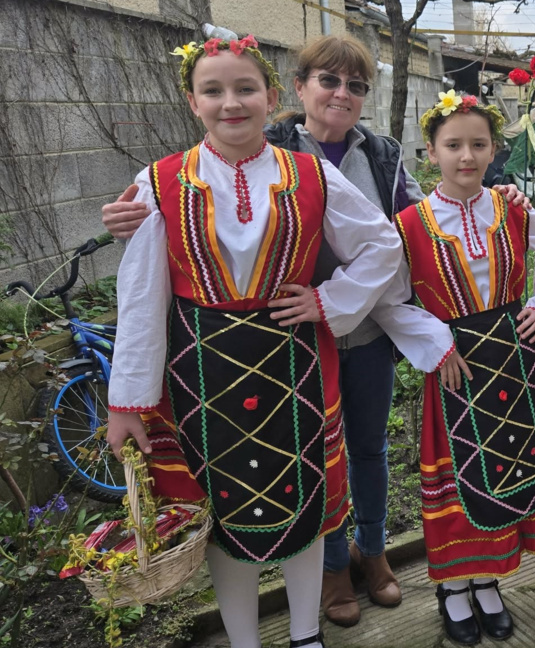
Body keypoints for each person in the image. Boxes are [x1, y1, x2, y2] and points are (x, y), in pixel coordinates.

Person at [99, 34, 530, 627]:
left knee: (367, 451)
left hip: (358, 331)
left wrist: (494, 199)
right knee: (276, 482)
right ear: (295, 91)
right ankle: (333, 576)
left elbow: (407, 229)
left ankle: (372, 556)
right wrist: (139, 216)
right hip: (258, 350)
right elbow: (150, 280)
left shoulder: (377, 154)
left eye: (356, 85)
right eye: (329, 80)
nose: (342, 93)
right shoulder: (243, 151)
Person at [104, 35, 410, 648]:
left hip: (292, 363)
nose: (231, 103)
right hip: (201, 372)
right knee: (223, 513)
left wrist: (327, 301)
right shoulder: (162, 180)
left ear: (273, 97)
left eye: (245, 88)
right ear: (192, 102)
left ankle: (304, 634)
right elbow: (142, 297)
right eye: (212, 91)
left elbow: (383, 245)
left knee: (304, 501)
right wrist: (125, 401)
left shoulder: (310, 172)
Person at [393, 91, 535, 645]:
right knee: (463, 474)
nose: (466, 156)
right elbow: (391, 298)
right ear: (431, 152)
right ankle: (453, 586)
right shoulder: (408, 223)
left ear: (495, 149)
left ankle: (490, 580)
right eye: (453, 145)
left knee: (510, 467)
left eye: (478, 144)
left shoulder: (512, 207)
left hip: (515, 359)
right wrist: (433, 342)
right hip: (456, 366)